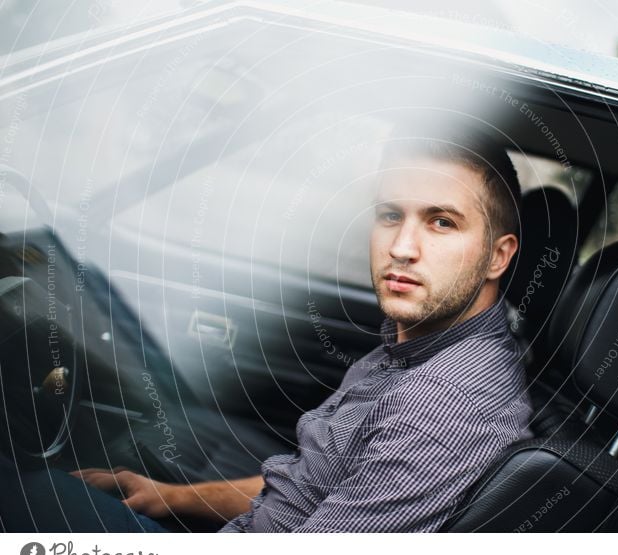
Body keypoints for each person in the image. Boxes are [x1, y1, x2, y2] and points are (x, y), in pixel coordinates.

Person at [0, 120, 533, 533]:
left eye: (442, 222)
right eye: (391, 214)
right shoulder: (418, 348)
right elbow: (309, 486)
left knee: (18, 490)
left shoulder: (441, 408)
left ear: (497, 256)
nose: (401, 247)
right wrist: (171, 496)